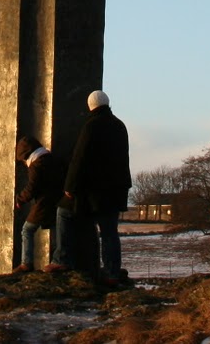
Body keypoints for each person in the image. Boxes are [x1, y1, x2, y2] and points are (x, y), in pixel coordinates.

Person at [59, 89, 131, 284]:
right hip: (116, 189)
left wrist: (70, 186)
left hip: (96, 191)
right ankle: (112, 272)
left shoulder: (92, 126)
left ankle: (63, 259)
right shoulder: (119, 125)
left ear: (91, 106)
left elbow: (79, 158)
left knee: (65, 213)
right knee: (110, 233)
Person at [14, 135, 66, 272]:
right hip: (58, 201)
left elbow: (32, 187)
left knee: (27, 230)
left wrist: (20, 199)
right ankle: (59, 261)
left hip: (43, 204)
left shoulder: (36, 165)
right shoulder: (52, 159)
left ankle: (26, 263)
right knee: (57, 230)